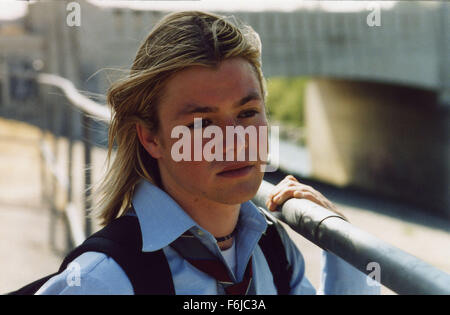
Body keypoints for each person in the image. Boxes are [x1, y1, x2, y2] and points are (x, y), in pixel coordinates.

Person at [36, 11, 379, 295]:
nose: (235, 140)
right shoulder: (101, 282)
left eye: (247, 113)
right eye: (202, 124)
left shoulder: (273, 251)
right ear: (151, 138)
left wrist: (337, 237)